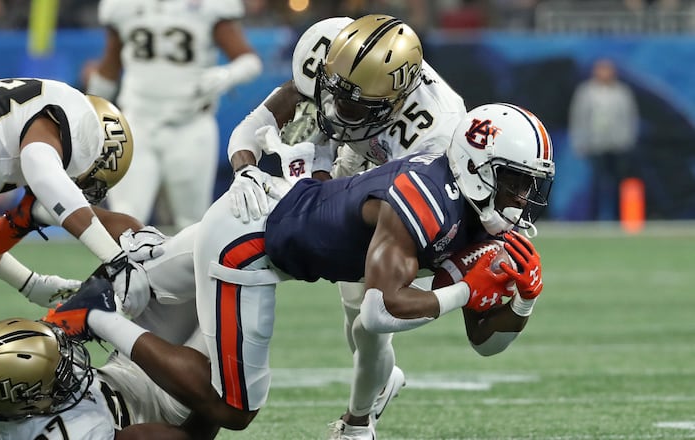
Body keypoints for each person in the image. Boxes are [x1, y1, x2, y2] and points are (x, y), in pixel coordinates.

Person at [44, 102, 556, 437]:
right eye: (514, 181)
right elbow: (379, 311)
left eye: (530, 185)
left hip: (268, 217)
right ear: (475, 167)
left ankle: (44, 216)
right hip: (250, 242)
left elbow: (484, 343)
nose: (522, 198)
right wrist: (466, 290)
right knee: (233, 409)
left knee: (147, 270)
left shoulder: (472, 211)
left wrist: (523, 301)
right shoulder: (426, 201)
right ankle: (95, 316)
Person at [225, 14, 467, 437]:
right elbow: (253, 126)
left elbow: (409, 214)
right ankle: (376, 386)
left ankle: (358, 422)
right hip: (360, 158)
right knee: (354, 317)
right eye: (332, 91)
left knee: (370, 318)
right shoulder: (333, 51)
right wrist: (248, 170)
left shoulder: (435, 134)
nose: (335, 110)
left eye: (353, 105)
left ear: (393, 102)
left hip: (403, 189)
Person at [0, 77, 148, 314]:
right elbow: (42, 170)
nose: (79, 189)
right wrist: (115, 260)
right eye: (87, 183)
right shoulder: (81, 124)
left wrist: (30, 284)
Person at [86, 0, 263, 230]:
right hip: (136, 123)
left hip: (189, 124)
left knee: (191, 223)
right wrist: (89, 110)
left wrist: (225, 75)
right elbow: (110, 65)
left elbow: (250, 61)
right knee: (126, 215)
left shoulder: (211, 6)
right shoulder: (122, 6)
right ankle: (125, 267)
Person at [0, 285, 218, 439]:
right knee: (228, 302)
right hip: (166, 402)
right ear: (31, 400)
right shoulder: (78, 432)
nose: (71, 366)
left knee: (192, 270)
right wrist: (214, 400)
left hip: (123, 369)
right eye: (60, 374)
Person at [569, 57, 639, 221]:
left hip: (617, 144)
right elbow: (579, 118)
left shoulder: (622, 92)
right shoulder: (586, 91)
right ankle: (595, 217)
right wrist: (579, 142)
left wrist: (628, 140)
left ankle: (617, 216)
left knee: (617, 182)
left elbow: (629, 117)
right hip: (594, 144)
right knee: (596, 182)